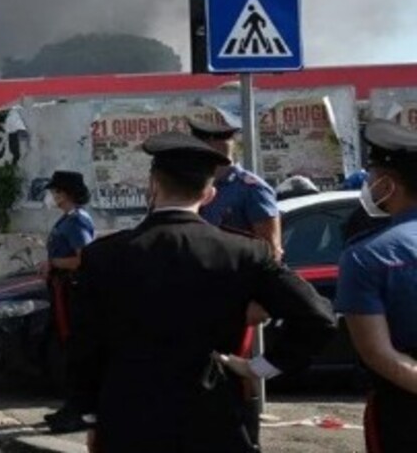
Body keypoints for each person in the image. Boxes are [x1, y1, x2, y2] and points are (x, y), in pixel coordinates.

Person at [69, 132, 336, 453]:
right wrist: (257, 368)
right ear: (209, 194)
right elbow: (317, 318)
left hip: (129, 416)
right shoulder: (245, 253)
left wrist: (91, 416)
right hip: (213, 412)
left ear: (152, 185)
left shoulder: (103, 255)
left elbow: (84, 345)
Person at [335, 120, 417, 452]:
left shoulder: (367, 255)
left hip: (405, 408)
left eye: (371, 177)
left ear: (387, 184)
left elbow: (378, 354)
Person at [39, 170, 96, 434]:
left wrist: (54, 263)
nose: (52, 196)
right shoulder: (67, 220)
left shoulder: (77, 221)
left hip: (71, 290)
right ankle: (70, 407)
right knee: (67, 349)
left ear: (66, 193)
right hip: (61, 289)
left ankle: (77, 411)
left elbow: (84, 258)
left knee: (74, 349)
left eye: (56, 191)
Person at [189, 119, 282, 258]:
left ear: (209, 148)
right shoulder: (195, 185)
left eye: (196, 146)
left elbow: (271, 252)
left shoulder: (252, 189)